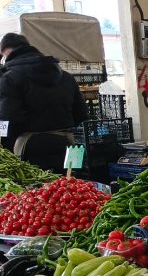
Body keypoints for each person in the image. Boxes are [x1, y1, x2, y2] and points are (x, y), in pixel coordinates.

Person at [0, 33, 86, 173]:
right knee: (69, 184)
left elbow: (7, 119)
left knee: (35, 186)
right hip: (66, 144)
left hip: (29, 148)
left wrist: (6, 149)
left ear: (6, 51)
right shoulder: (66, 77)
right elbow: (81, 114)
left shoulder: (10, 79)